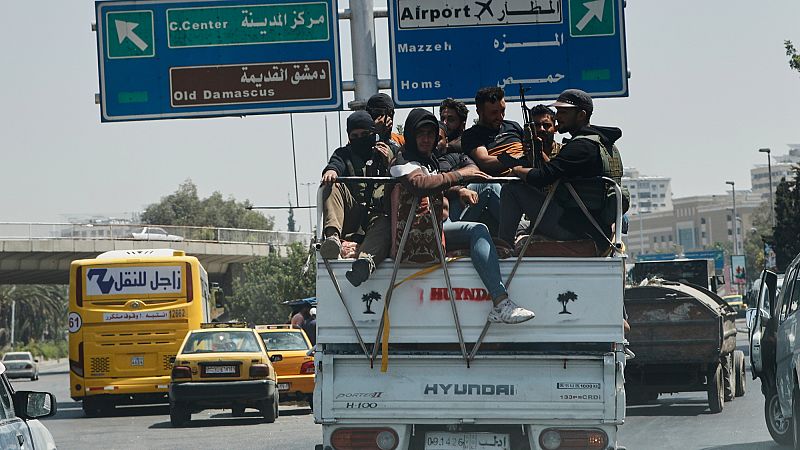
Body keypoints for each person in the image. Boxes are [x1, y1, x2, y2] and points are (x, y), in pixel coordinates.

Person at [389, 108, 535, 324]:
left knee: (482, 221)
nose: (426, 139)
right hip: (418, 231)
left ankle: (515, 240)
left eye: (431, 134)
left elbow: (441, 181)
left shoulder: (430, 160)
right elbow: (418, 184)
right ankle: (501, 302)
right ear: (410, 134)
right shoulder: (403, 160)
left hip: (439, 224)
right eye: (421, 134)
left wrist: (459, 189)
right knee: (478, 230)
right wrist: (459, 175)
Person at [498, 89, 626, 249]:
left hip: (575, 228)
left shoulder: (581, 147)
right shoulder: (603, 143)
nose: (558, 117)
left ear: (581, 115)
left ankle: (504, 248)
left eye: (563, 112)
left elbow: (541, 177)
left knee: (512, 189)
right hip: (596, 228)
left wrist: (516, 168)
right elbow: (556, 172)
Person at [318, 111, 397, 269]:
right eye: (355, 136)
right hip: (353, 212)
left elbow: (404, 172)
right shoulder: (344, 153)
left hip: (378, 214)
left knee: (385, 224)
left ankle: (364, 262)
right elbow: (335, 164)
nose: (360, 139)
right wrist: (331, 172)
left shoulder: (388, 151)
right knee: (332, 184)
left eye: (364, 134)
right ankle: (332, 238)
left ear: (372, 134)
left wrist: (390, 161)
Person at [460, 87, 526, 177]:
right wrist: (518, 159)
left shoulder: (513, 126)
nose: (500, 117)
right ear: (479, 112)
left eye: (502, 110)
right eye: (494, 113)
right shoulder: (471, 135)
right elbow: (485, 161)